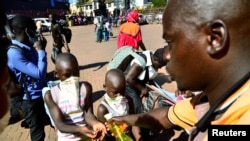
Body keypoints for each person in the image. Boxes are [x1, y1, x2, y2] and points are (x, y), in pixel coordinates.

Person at [107, 0, 250, 141]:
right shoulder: (206, 101)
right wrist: (124, 119)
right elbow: (166, 117)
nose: (167, 56)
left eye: (170, 42)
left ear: (215, 39)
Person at [43, 53, 106, 141]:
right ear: (56, 74)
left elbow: (88, 114)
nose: (73, 78)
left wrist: (95, 123)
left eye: (76, 73)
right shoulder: (51, 95)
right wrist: (80, 129)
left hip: (87, 135)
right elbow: (60, 125)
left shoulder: (85, 88)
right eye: (67, 75)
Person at [7, 15, 50, 141]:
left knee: (48, 122)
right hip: (30, 100)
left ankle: (30, 120)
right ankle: (28, 119)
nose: (35, 33)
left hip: (40, 94)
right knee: (38, 135)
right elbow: (39, 73)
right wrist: (41, 50)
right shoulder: (14, 53)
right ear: (27, 31)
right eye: (33, 30)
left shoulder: (28, 46)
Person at [97, 69, 142, 141]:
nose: (120, 96)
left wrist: (139, 138)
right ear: (105, 87)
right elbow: (103, 134)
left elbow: (134, 123)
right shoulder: (103, 109)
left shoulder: (128, 101)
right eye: (115, 92)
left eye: (122, 91)